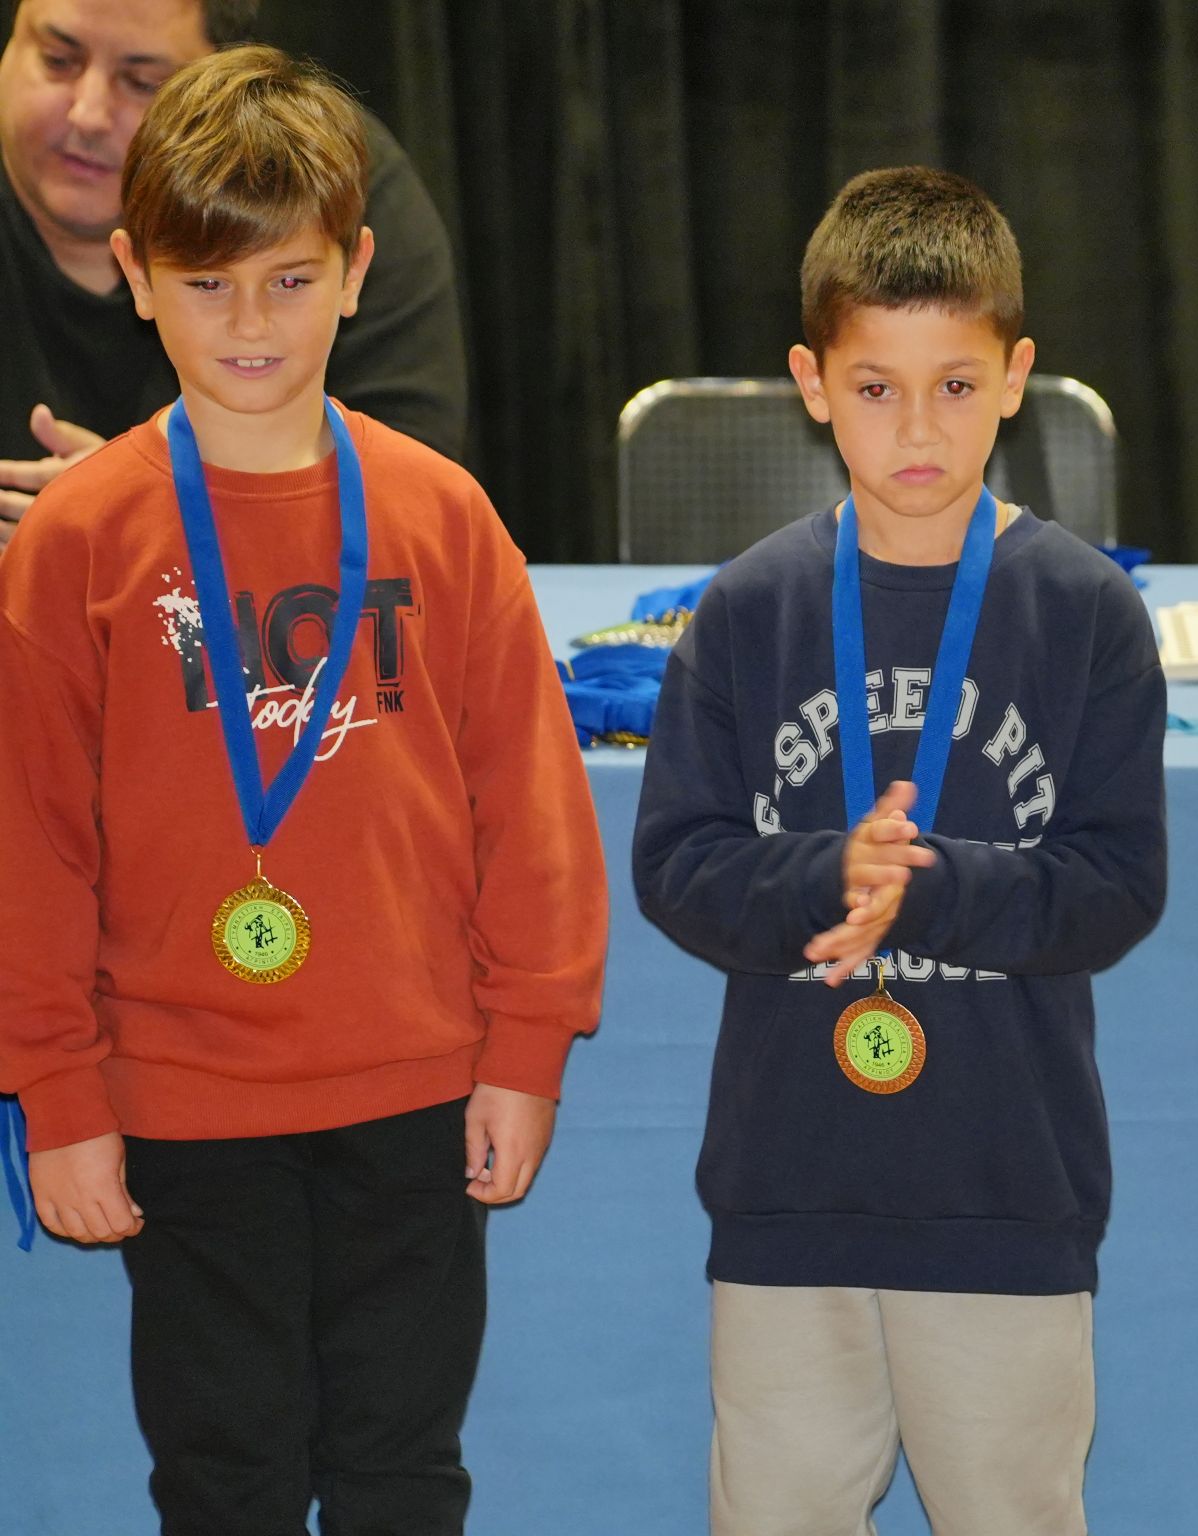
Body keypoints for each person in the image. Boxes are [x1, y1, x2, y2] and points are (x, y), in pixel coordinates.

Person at [0, 45, 602, 1535]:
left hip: (413, 1086)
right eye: (208, 285)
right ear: (137, 279)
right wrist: (55, 1089)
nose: (251, 323)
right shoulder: (78, 540)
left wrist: (526, 1046)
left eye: (289, 280)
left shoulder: (441, 515)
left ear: (356, 274)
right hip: (182, 1098)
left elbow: (530, 805)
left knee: (403, 1473)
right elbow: (29, 843)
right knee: (224, 1480)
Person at [632, 165, 1166, 1535]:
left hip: (1006, 1188)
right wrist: (827, 875)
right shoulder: (747, 612)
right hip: (787, 1193)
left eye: (955, 384)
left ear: (1016, 379)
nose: (917, 426)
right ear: (812, 383)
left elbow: (1116, 887)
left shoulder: (1085, 614)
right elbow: (677, 865)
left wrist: (924, 887)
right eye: (876, 387)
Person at [0, 0, 466, 554]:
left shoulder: (315, 183)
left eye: (143, 83)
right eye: (57, 60)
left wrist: (144, 521)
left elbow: (412, 498)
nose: (87, 113)